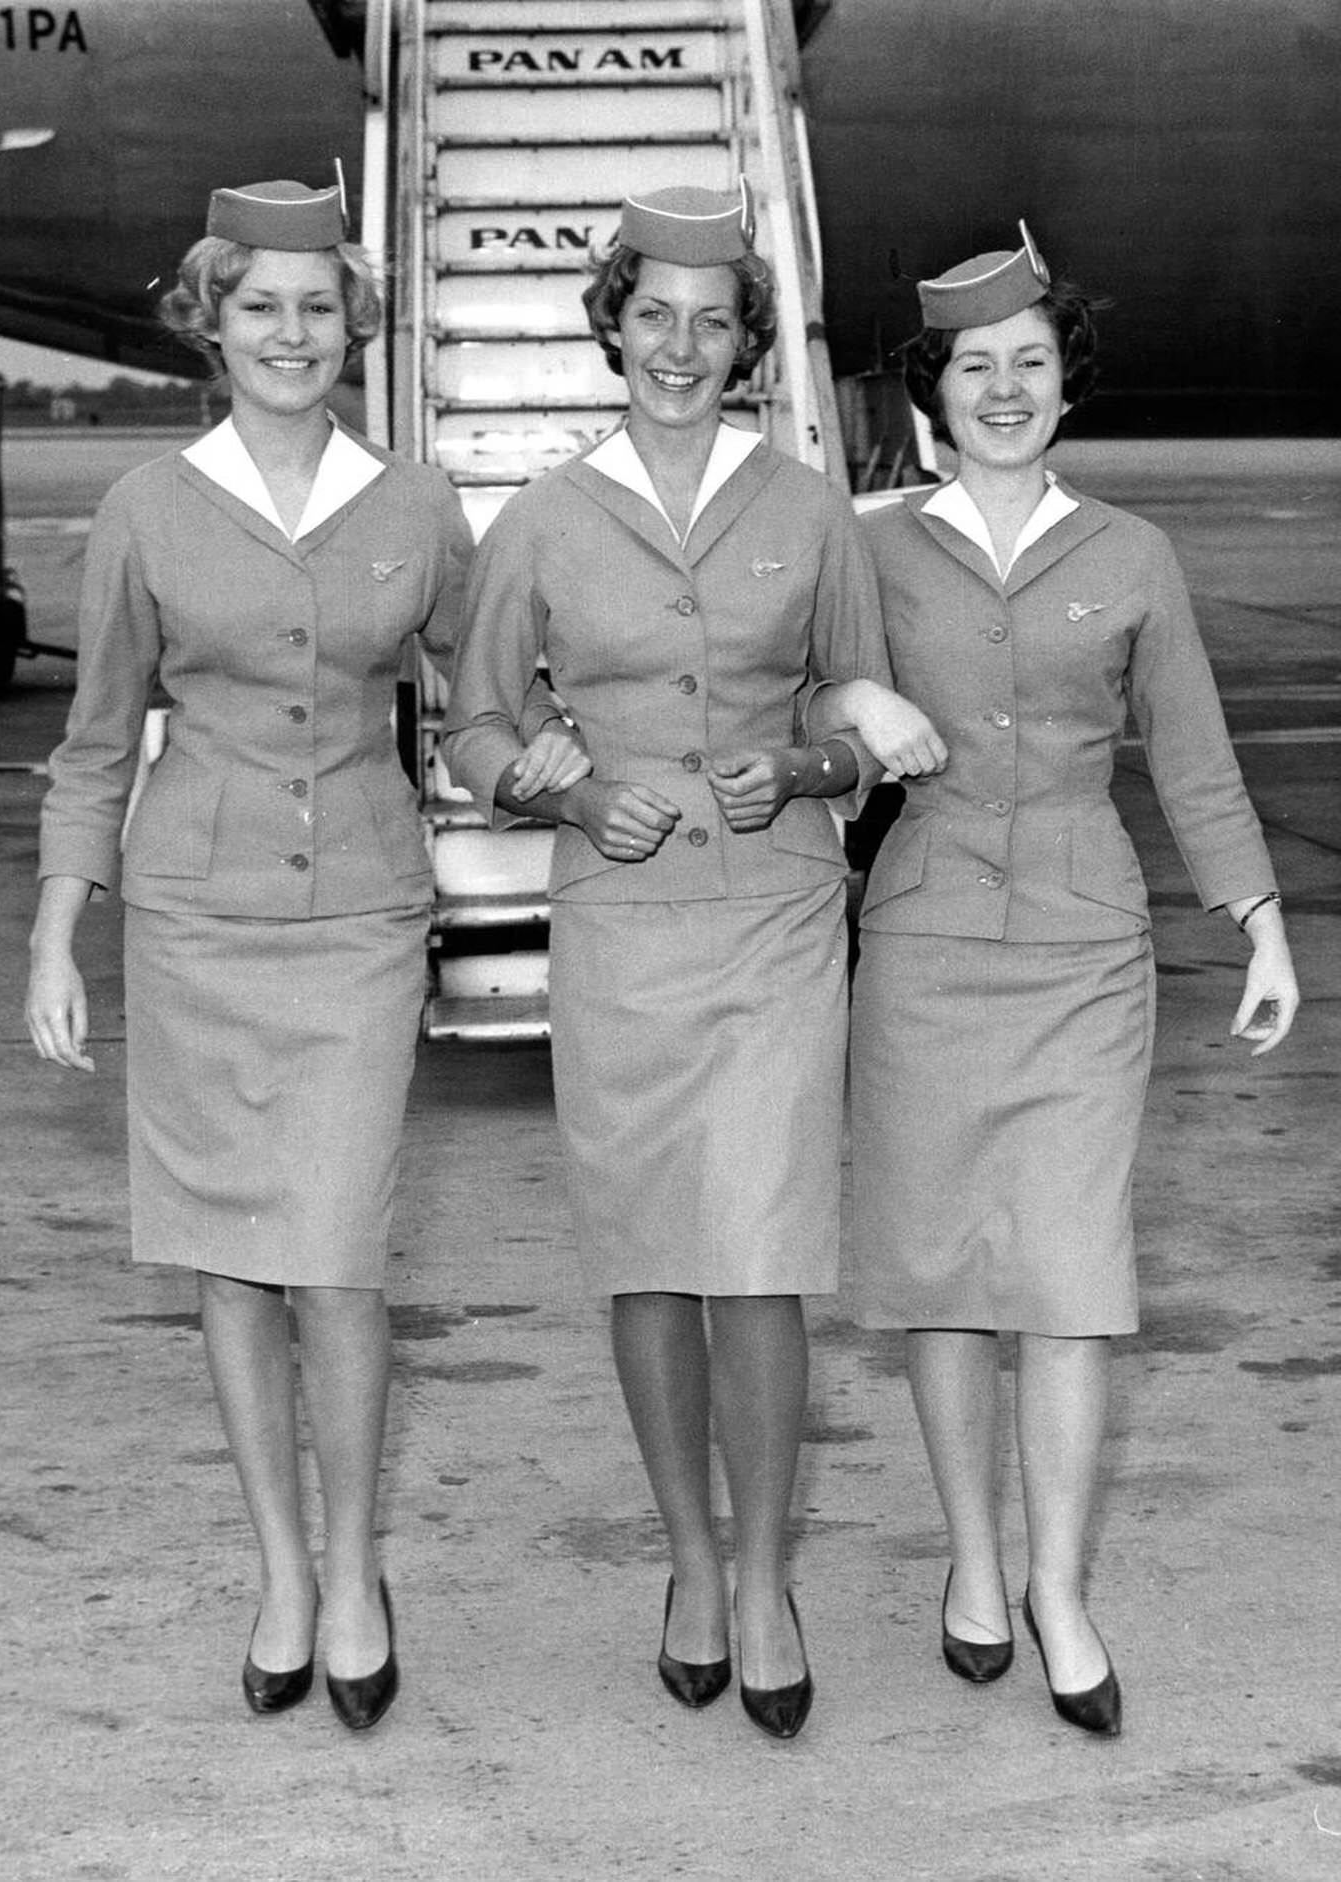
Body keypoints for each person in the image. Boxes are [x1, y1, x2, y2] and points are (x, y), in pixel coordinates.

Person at [24, 177, 581, 1730]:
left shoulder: (413, 503)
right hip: (195, 918)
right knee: (229, 1264)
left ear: (357, 325)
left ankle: (352, 1567)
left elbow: (486, 692)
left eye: (318, 306)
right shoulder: (146, 507)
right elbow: (92, 742)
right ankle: (281, 1567)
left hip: (356, 918)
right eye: (258, 304)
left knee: (334, 1257)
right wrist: (61, 929)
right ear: (211, 320)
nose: (290, 332)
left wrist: (569, 758)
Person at [441, 183, 944, 1739]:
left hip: (781, 915)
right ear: (611, 324)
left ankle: (770, 1574)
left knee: (763, 1254)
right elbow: (471, 725)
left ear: (746, 342)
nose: (679, 344)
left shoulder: (805, 508)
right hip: (620, 916)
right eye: (651, 313)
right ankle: (686, 1560)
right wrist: (576, 791)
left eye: (711, 319)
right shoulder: (539, 515)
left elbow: (866, 710)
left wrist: (805, 772)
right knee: (649, 1250)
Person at [810, 223, 1300, 1735]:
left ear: (1063, 386)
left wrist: (1260, 916)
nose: (1005, 389)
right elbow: (799, 682)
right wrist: (852, 687)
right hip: (927, 936)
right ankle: (972, 1560)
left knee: (1075, 1286)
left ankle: (1061, 1588)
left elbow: (1196, 753)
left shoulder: (1131, 553)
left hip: (1089, 950)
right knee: (943, 1274)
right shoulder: (874, 545)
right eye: (977, 368)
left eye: (1030, 364)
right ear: (931, 395)